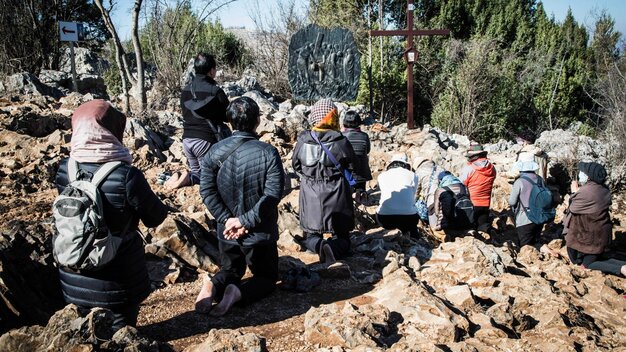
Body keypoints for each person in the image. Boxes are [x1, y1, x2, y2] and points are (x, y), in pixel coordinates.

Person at [55, 99, 168, 332]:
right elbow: (156, 217)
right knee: (120, 335)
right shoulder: (126, 175)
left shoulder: (65, 169)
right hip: (117, 278)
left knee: (85, 335)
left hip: (73, 272)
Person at [195, 97, 285, 316]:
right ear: (257, 121)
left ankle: (214, 285)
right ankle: (237, 293)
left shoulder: (212, 153)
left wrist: (227, 220)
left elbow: (207, 191)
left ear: (230, 122)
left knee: (231, 269)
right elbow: (272, 194)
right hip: (259, 232)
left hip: (226, 232)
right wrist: (244, 221)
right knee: (266, 277)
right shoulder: (268, 152)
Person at [292, 98, 357, 264]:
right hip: (337, 192)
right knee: (343, 236)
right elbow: (352, 164)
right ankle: (334, 248)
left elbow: (296, 165)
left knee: (311, 234)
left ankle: (320, 246)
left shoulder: (303, 140)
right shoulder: (340, 140)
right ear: (333, 116)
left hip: (310, 193)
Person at [165, 53, 230, 190]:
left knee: (198, 172)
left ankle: (180, 176)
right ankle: (187, 178)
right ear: (212, 70)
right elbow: (227, 116)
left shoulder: (186, 91)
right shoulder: (215, 91)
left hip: (187, 140)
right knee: (212, 177)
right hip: (205, 141)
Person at [564, 162, 626, 276]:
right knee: (595, 259)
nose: (580, 174)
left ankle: (622, 268)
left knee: (586, 264)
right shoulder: (604, 189)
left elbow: (572, 208)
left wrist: (574, 193)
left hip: (590, 237)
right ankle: (623, 265)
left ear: (588, 177)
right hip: (602, 234)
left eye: (583, 172)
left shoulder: (586, 192)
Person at [376, 154, 420, 237]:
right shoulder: (413, 175)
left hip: (385, 218)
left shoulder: (381, 176)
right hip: (408, 218)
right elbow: (413, 195)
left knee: (379, 210)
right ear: (405, 164)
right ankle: (414, 238)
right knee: (412, 215)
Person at [508, 152, 545, 248]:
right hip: (539, 217)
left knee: (525, 247)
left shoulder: (519, 182)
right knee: (536, 243)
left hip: (525, 218)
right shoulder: (540, 179)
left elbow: (512, 201)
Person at [459, 143, 496, 233]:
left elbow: (461, 184)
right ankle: (491, 235)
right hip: (486, 203)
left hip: (472, 203)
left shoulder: (469, 169)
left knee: (471, 228)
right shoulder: (492, 168)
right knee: (483, 226)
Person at [432, 171, 474, 240]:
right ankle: (465, 232)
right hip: (466, 221)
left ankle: (445, 236)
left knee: (434, 230)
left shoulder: (439, 190)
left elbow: (437, 212)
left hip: (448, 223)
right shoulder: (464, 187)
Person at [342, 110, 372, 193]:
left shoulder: (341, 136)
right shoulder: (364, 136)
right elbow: (367, 151)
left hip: (347, 174)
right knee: (361, 193)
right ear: (358, 122)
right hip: (362, 174)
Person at [414, 157, 445, 225]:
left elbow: (416, 190)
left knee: (434, 225)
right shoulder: (441, 169)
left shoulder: (420, 171)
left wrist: (413, 202)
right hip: (446, 197)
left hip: (432, 199)